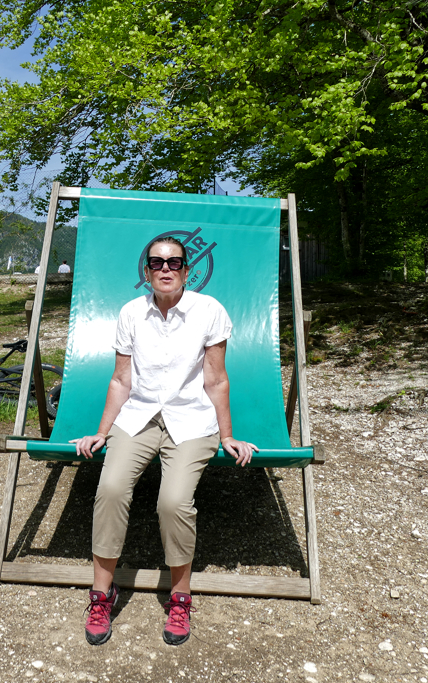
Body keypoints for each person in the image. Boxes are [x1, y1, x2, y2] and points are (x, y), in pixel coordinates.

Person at [71, 236, 257, 647]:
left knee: (172, 501)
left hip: (191, 420)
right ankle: (102, 593)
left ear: (188, 270)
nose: (166, 268)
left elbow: (216, 378)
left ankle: (180, 596)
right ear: (147, 271)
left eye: (174, 262)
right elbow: (121, 380)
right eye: (157, 262)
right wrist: (102, 432)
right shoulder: (131, 313)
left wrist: (227, 435)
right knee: (111, 488)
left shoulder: (209, 311)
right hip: (138, 418)